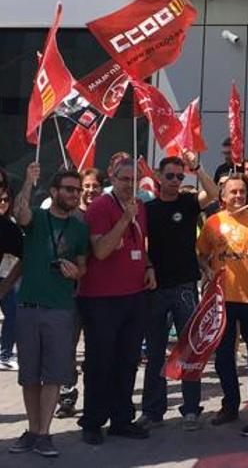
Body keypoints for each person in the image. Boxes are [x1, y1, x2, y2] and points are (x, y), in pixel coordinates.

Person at [7, 166, 88, 457]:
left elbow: (83, 267)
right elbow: (19, 212)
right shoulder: (38, 218)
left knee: (53, 376)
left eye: (77, 190)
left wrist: (74, 272)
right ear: (54, 192)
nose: (74, 195)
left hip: (60, 309)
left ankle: (44, 433)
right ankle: (31, 429)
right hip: (28, 307)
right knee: (29, 376)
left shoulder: (79, 227)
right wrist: (28, 180)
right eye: (68, 189)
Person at [137, 153, 219, 432]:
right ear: (159, 178)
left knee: (190, 350)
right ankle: (152, 411)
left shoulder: (188, 202)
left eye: (179, 176)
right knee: (156, 352)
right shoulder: (147, 210)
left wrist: (197, 168)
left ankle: (191, 409)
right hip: (156, 288)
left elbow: (214, 192)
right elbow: (141, 243)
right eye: (169, 175)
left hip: (185, 287)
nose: (174, 181)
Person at [77, 158, 156, 445]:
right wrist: (124, 219)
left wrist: (148, 266)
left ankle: (122, 419)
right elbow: (100, 250)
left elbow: (141, 245)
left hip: (133, 295)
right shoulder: (100, 207)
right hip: (101, 298)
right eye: (124, 179)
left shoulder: (140, 206)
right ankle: (93, 421)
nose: (129, 185)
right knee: (100, 362)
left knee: (128, 361)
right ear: (112, 177)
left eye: (134, 180)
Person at [196, 174, 248, 428]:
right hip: (223, 299)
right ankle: (230, 404)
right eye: (232, 192)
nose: (238, 196)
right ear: (222, 197)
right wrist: (207, 269)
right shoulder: (213, 222)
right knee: (224, 355)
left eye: (241, 192)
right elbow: (201, 254)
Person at [55, 167, 104, 418]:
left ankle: (96, 400)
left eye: (95, 186)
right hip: (72, 293)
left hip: (99, 292)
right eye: (86, 186)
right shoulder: (69, 216)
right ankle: (67, 396)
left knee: (96, 350)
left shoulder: (105, 213)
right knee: (67, 348)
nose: (90, 190)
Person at [0, 175, 22, 372]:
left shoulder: (8, 227)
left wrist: (5, 286)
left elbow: (26, 256)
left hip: (4, 277)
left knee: (13, 312)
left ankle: (5, 353)